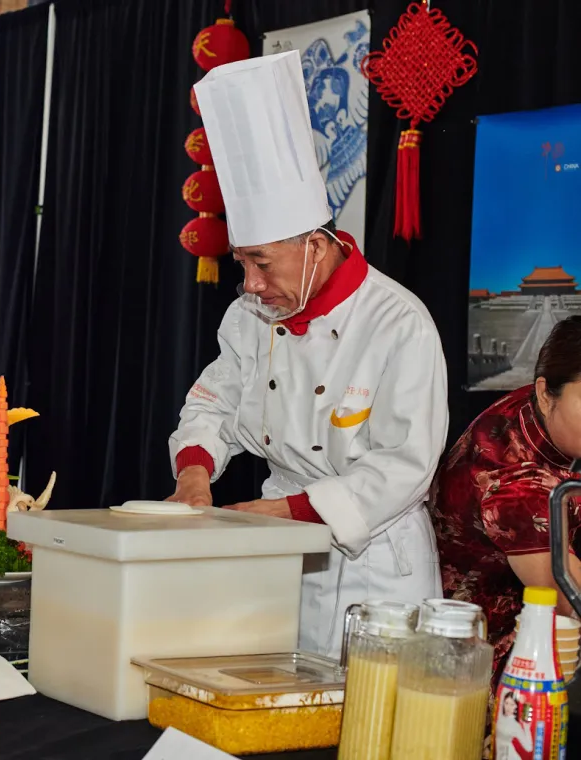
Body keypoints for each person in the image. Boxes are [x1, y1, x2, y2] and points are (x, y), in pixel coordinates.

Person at [168, 51, 447, 657]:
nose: (249, 283)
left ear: (315, 245)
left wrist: (285, 512)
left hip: (377, 568)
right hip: (282, 560)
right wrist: (194, 474)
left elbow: (404, 466)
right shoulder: (250, 316)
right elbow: (213, 403)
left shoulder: (398, 322)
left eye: (261, 263)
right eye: (241, 262)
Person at [431, 316, 581, 680]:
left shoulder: (543, 412)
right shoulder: (516, 484)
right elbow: (570, 600)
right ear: (545, 393)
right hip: (493, 660)